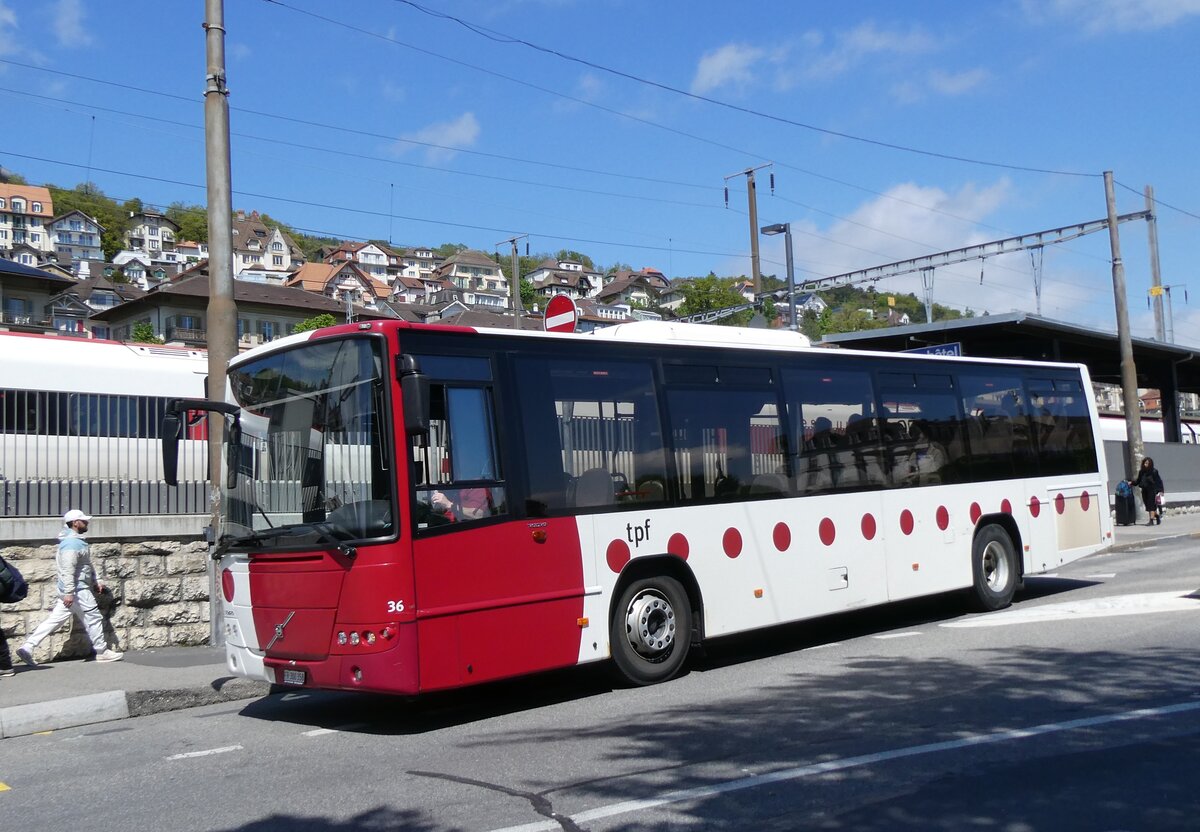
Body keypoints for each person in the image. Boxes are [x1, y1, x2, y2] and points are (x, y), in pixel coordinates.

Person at [16, 510, 123, 666]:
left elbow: (85, 564)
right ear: (75, 523)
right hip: (78, 591)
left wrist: (96, 579)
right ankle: (102, 651)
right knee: (93, 618)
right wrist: (69, 593)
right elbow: (68, 570)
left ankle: (28, 647)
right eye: (83, 520)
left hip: (73, 591)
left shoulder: (73, 541)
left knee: (54, 620)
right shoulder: (72, 544)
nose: (87, 523)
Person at [1130, 457, 1165, 526]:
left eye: (1148, 463)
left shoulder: (1154, 471)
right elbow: (1138, 481)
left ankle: (1151, 521)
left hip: (1152, 490)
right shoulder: (1141, 472)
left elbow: (1159, 481)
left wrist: (1161, 490)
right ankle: (1156, 516)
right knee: (1148, 506)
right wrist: (1131, 483)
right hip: (1144, 490)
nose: (1146, 465)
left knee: (1151, 505)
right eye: (1145, 463)